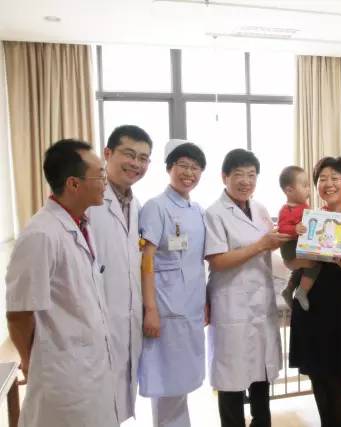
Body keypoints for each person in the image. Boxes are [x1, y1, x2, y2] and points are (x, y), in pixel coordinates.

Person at [5, 139, 118, 426]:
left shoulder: (80, 223)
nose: (105, 182)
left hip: (88, 366)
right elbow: (19, 314)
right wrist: (33, 363)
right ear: (73, 184)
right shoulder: (41, 235)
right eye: (100, 176)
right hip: (62, 373)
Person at [204, 148, 287, 427]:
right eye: (238, 174)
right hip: (232, 304)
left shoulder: (261, 209)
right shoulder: (215, 214)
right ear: (224, 177)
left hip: (260, 302)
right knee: (231, 378)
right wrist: (261, 245)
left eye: (251, 175)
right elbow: (217, 261)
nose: (245, 181)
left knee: (261, 373)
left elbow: (269, 250)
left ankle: (262, 423)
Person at [138, 140, 207, 427]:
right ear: (169, 168)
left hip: (190, 308)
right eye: (182, 166)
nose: (188, 173)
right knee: (168, 384)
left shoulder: (197, 209)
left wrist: (205, 303)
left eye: (195, 168)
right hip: (165, 310)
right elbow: (146, 260)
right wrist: (150, 309)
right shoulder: (156, 207)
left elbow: (197, 261)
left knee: (181, 383)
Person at [88, 124, 152, 423]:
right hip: (93, 321)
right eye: (130, 154)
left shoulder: (136, 205)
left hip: (126, 317)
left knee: (117, 398)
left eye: (143, 158)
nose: (136, 164)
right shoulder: (88, 203)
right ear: (107, 153)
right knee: (95, 402)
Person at [288, 156, 341, 427]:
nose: (328, 184)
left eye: (335, 178)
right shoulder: (311, 220)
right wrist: (299, 239)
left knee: (335, 376)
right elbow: (292, 263)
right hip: (308, 305)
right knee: (316, 374)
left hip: (337, 307)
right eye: (322, 180)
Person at [277, 165, 321, 311]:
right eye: (304, 186)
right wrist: (294, 229)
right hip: (290, 248)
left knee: (303, 267)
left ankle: (289, 289)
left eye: (308, 185)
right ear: (289, 190)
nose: (308, 189)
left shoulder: (304, 206)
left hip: (300, 245)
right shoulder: (286, 209)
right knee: (314, 263)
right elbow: (282, 228)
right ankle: (302, 291)